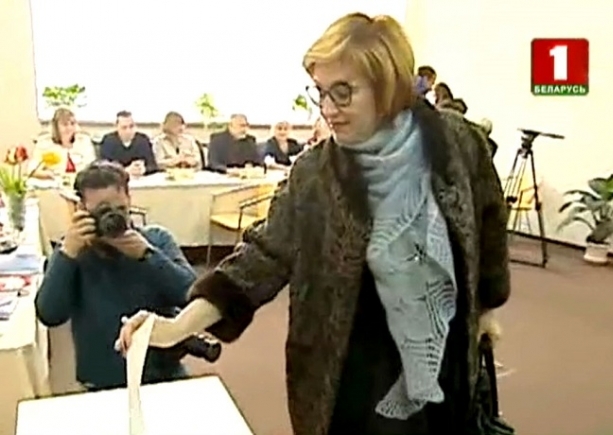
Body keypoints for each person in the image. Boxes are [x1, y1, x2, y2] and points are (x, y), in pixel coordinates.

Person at [118, 12, 510, 435]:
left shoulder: (458, 143)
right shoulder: (315, 175)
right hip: (352, 375)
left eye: (342, 93)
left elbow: (488, 219)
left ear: (388, 85)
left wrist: (488, 305)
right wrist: (176, 327)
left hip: (443, 363)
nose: (327, 109)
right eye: (320, 92)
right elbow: (258, 260)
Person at [35, 161, 196, 391]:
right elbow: (49, 314)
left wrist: (147, 256)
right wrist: (67, 254)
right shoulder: (74, 253)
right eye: (102, 211)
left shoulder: (155, 240)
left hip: (162, 374)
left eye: (120, 209)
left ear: (129, 199)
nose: (112, 217)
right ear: (82, 209)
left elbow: (191, 294)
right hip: (101, 380)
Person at [31, 108, 97, 179]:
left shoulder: (84, 141)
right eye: (65, 124)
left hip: (81, 181)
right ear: (56, 127)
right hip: (54, 182)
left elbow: (92, 167)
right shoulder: (44, 143)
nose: (69, 128)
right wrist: (48, 175)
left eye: (72, 124)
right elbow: (32, 170)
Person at [99, 111, 158, 176]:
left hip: (141, 178)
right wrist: (125, 170)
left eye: (131, 126)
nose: (128, 131)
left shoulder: (143, 140)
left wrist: (144, 169)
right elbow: (103, 168)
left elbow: (153, 165)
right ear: (116, 127)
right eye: (124, 127)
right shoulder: (108, 141)